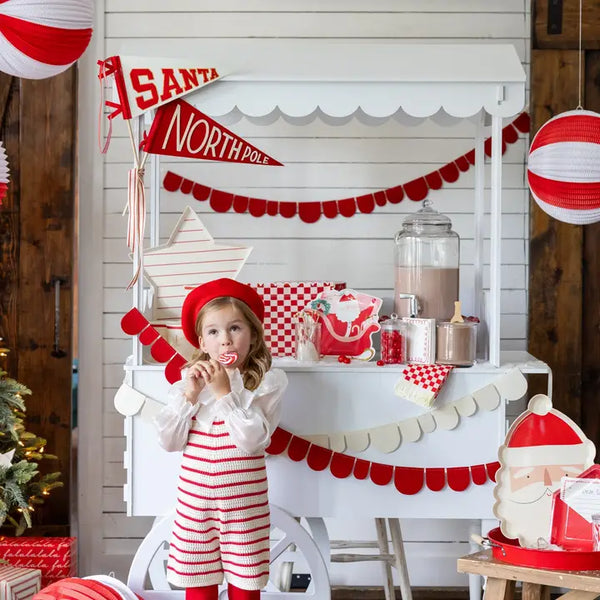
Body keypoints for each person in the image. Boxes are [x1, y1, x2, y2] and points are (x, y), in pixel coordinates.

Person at [155, 278, 288, 600]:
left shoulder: (267, 383)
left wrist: (226, 393)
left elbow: (253, 442)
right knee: (198, 581)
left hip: (244, 506)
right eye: (214, 332)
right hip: (195, 503)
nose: (225, 341)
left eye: (235, 328)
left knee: (246, 583)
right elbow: (169, 442)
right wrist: (190, 395)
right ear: (202, 341)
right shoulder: (188, 385)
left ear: (253, 334)